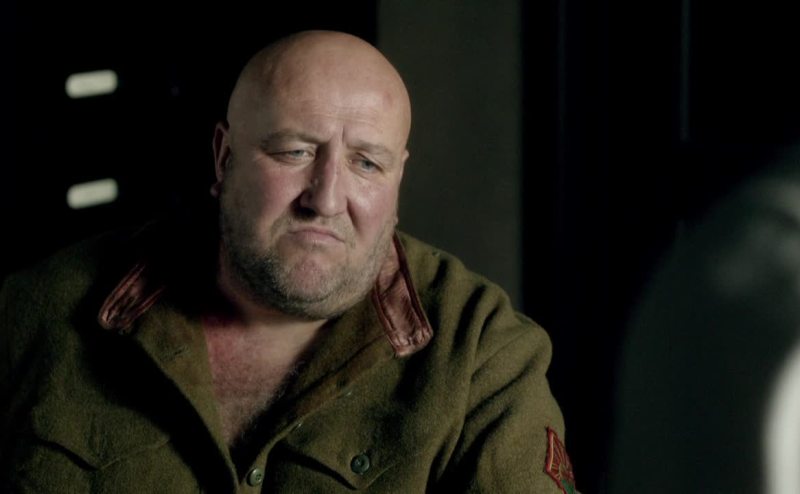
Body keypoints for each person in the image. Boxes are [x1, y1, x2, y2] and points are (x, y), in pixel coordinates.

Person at [0, 31, 574, 493]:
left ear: (397, 180)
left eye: (366, 164)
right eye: (294, 152)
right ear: (224, 157)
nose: (325, 199)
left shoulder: (481, 357)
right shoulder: (40, 313)